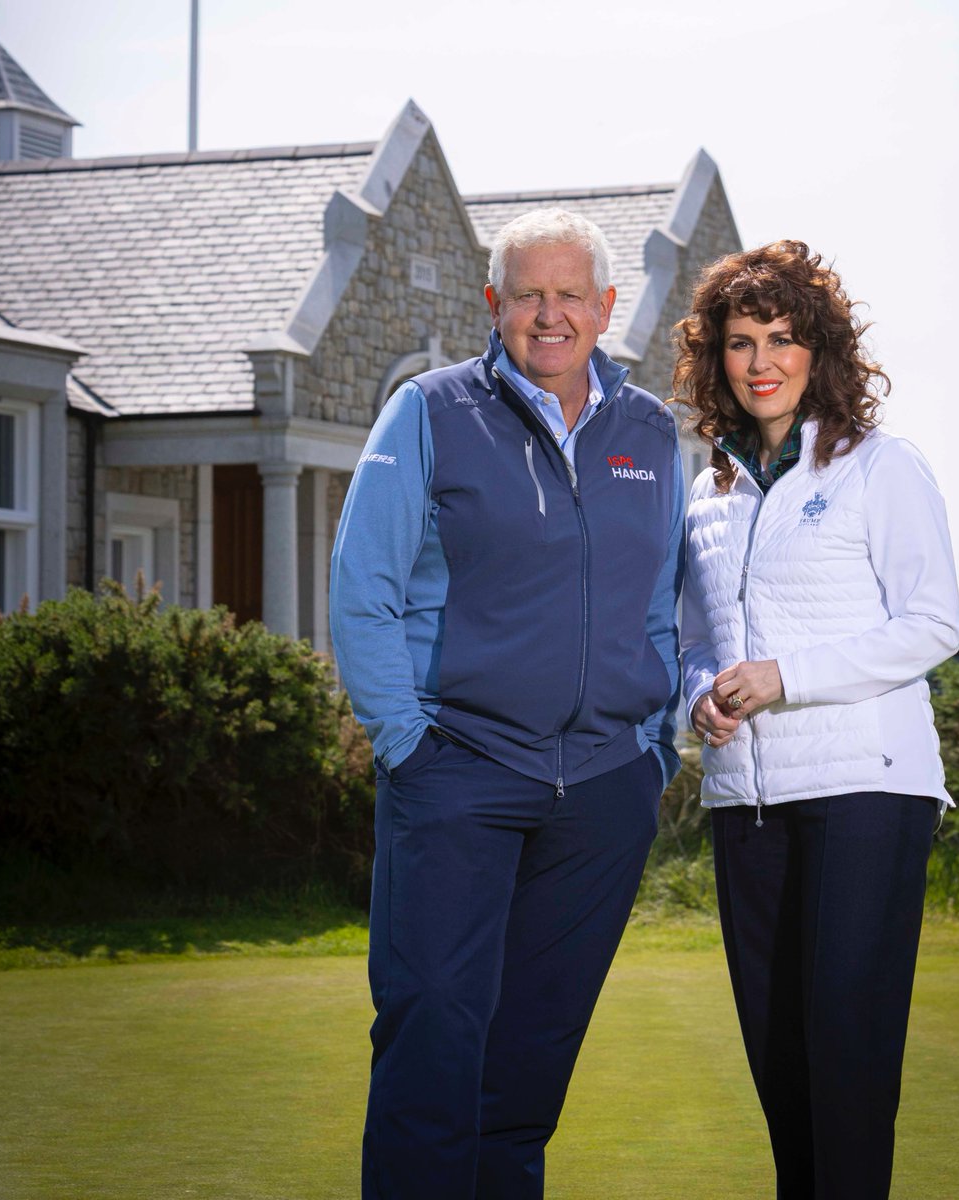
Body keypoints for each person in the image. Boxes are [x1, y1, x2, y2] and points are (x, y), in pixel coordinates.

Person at [329, 208, 683, 1200]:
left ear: (607, 308)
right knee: (433, 1031)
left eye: (571, 293)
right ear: (494, 303)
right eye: (528, 292)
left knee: (530, 1062)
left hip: (605, 790)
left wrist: (653, 753)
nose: (549, 313)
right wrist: (406, 744)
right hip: (458, 774)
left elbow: (660, 606)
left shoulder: (651, 433)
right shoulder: (431, 411)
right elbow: (364, 587)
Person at [674, 241, 959, 1200]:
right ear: (715, 358)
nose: (761, 361)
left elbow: (931, 626)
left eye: (783, 339)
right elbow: (690, 641)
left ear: (819, 350)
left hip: (866, 794)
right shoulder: (706, 494)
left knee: (845, 1058)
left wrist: (783, 677)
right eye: (741, 342)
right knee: (779, 1061)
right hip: (747, 803)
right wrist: (700, 699)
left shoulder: (881, 468)